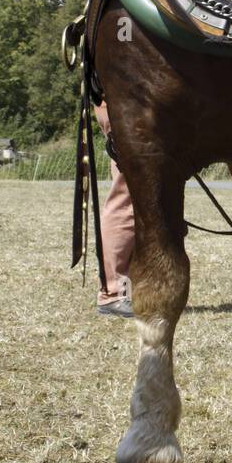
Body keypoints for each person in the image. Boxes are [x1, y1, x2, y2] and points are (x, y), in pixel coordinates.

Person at [94, 101, 135, 318]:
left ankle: (120, 289)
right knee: (127, 198)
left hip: (122, 104)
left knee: (129, 197)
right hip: (127, 105)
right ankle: (113, 293)